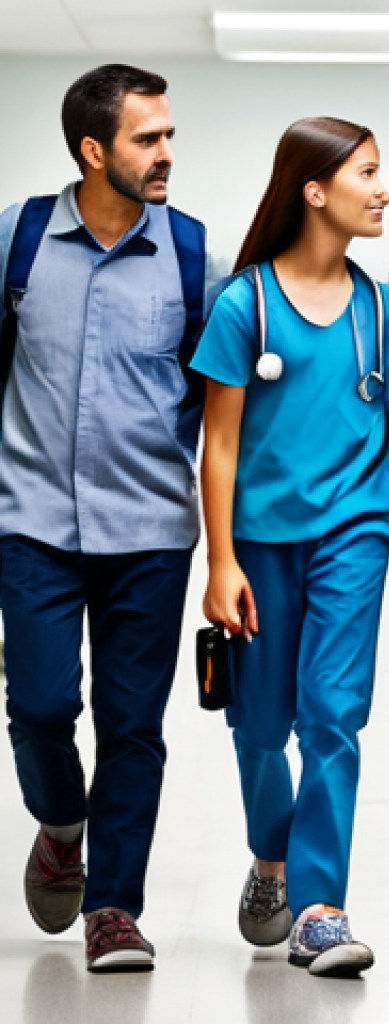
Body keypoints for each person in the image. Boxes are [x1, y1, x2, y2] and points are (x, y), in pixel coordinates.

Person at [192, 117, 389, 979]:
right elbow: (219, 445)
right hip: (260, 547)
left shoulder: (387, 312)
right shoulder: (246, 305)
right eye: (367, 175)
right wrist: (219, 560)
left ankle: (320, 909)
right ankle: (272, 858)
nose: (382, 191)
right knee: (259, 728)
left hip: (355, 535)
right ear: (314, 190)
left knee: (333, 718)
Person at [0, 65, 209, 973]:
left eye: (169, 134)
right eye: (147, 138)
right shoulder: (17, 241)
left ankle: (115, 908)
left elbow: (219, 397)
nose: (167, 153)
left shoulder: (196, 253)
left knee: (134, 727)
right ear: (94, 151)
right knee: (40, 707)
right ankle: (61, 822)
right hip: (32, 519)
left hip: (153, 534)